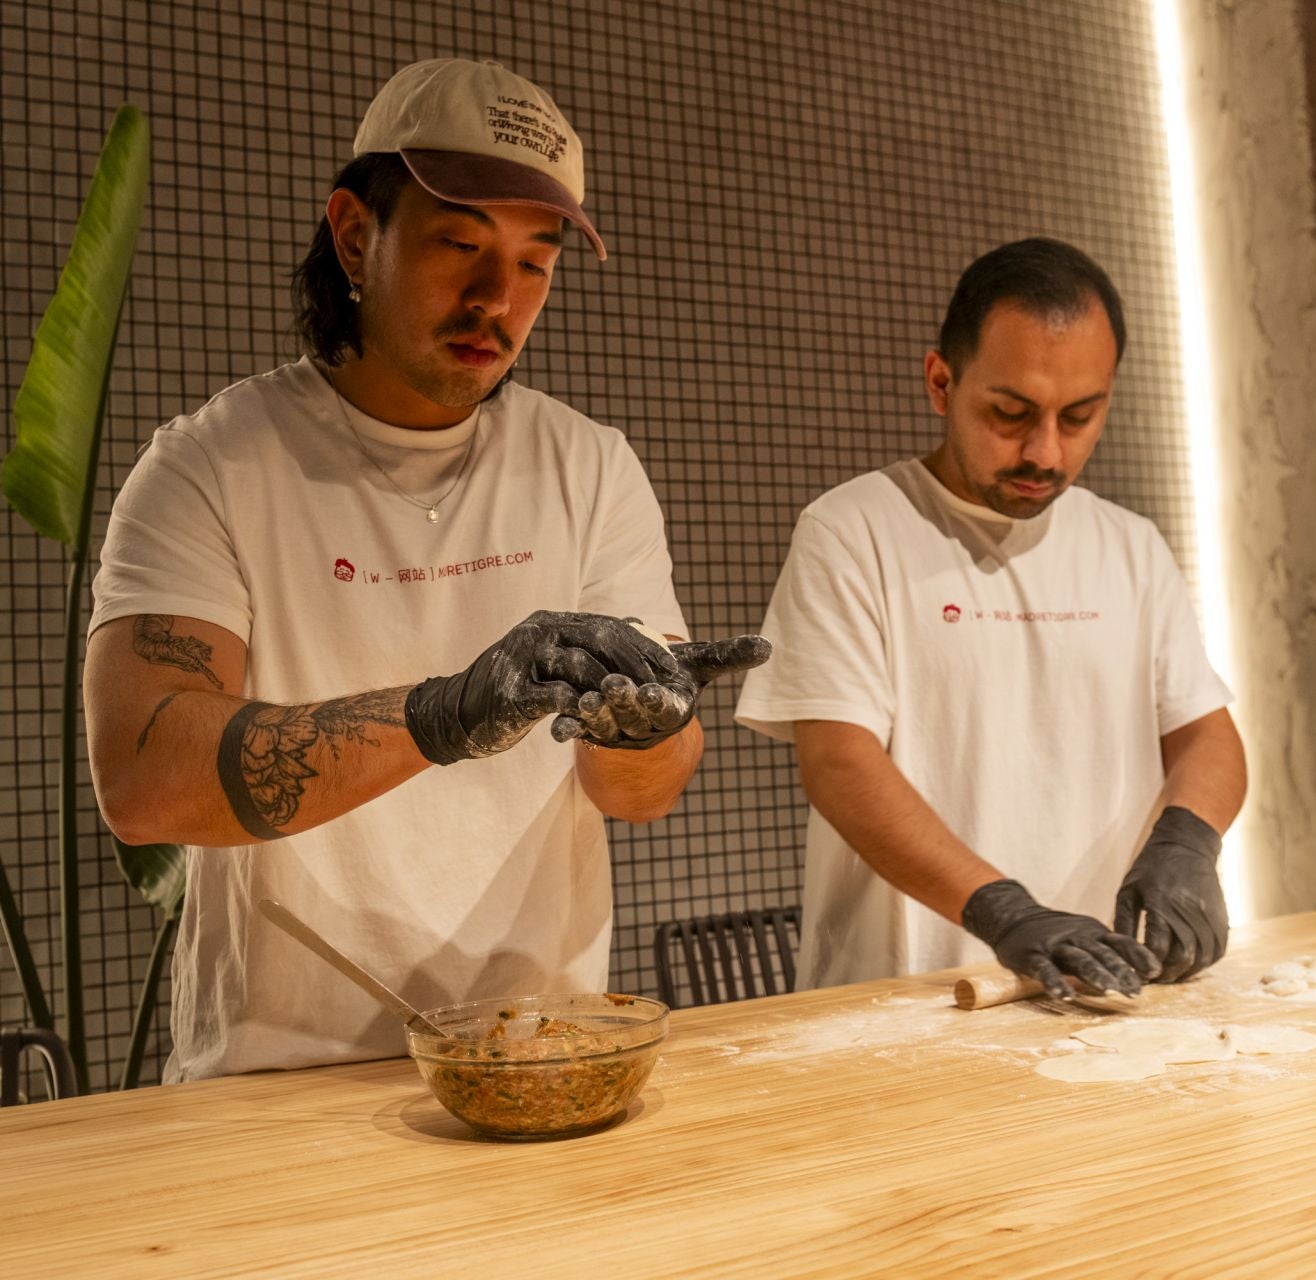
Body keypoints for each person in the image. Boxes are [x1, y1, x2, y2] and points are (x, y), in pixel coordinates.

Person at [84, 58, 766, 1082]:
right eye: (460, 244)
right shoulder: (213, 463)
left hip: (535, 1061)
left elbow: (636, 794)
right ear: (357, 236)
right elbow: (144, 780)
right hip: (273, 1078)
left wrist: (651, 727)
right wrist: (445, 711)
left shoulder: (588, 466)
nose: (500, 296)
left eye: (536, 263)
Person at [734, 238, 1245, 1000]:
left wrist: (1188, 839)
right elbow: (839, 762)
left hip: (1102, 996)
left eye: (1079, 415)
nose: (1045, 450)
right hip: (910, 999)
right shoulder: (854, 529)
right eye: (1010, 413)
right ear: (941, 382)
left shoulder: (1129, 547)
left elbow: (1207, 733)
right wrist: (1004, 911)